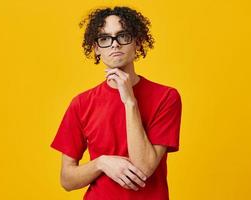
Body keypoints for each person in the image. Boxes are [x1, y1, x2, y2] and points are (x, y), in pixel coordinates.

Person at [50, 6, 182, 200]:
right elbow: (67, 180)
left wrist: (130, 101)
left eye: (123, 36)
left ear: (137, 42)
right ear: (96, 48)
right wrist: (101, 163)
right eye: (104, 39)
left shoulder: (166, 97)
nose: (114, 45)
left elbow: (144, 167)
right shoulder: (81, 103)